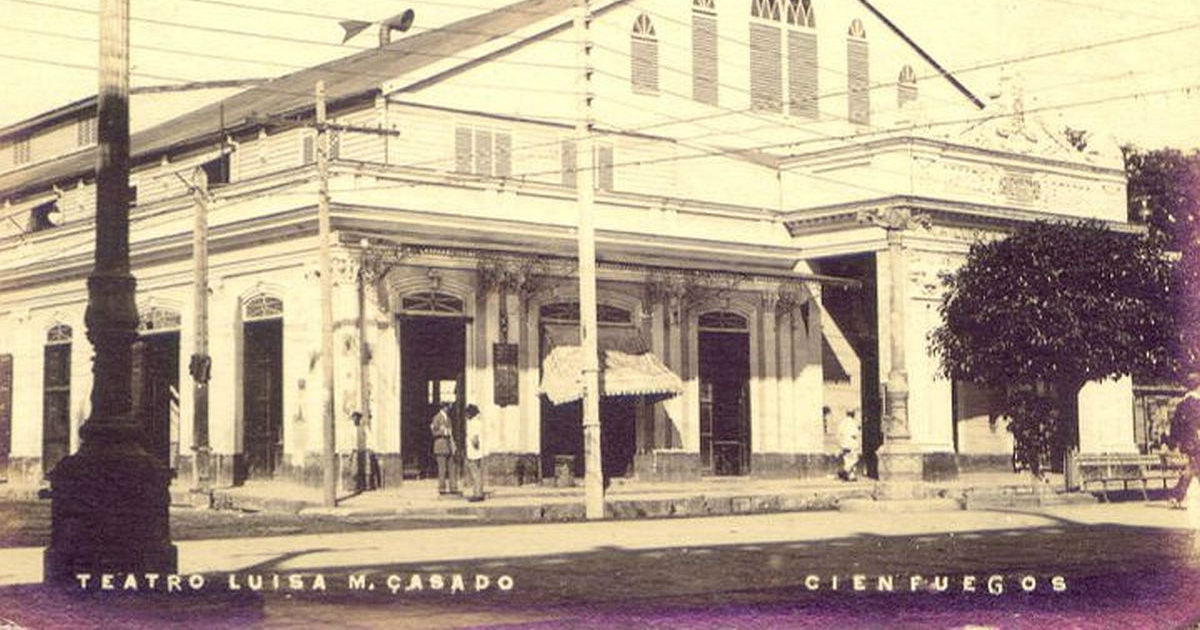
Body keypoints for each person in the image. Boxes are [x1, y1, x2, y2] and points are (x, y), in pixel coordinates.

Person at [1168, 375, 1200, 509]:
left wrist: (1174, 443)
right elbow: (1196, 423)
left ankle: (1176, 496)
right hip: (1196, 440)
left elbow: (1174, 425)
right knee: (1193, 468)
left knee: (1194, 468)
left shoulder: (1182, 403)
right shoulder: (1196, 402)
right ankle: (1176, 495)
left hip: (1187, 442)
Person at [430, 403, 457, 495]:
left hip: (448, 445)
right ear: (443, 408)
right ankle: (442, 488)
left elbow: (451, 432)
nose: (448, 409)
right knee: (442, 468)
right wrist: (443, 431)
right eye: (447, 407)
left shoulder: (448, 419)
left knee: (451, 467)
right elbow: (433, 432)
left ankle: (453, 487)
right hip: (440, 445)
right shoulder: (437, 418)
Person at [463, 404, 485, 502]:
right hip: (478, 451)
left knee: (475, 473)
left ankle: (477, 494)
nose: (466, 415)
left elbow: (474, 438)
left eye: (467, 413)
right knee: (478, 473)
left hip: (473, 451)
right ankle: (478, 492)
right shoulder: (479, 422)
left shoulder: (473, 423)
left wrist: (473, 445)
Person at [837, 409, 861, 482]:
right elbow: (856, 434)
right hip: (851, 443)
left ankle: (850, 475)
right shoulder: (854, 423)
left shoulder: (842, 423)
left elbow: (838, 434)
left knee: (847, 459)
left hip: (844, 443)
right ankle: (847, 471)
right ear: (853, 414)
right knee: (854, 459)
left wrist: (840, 444)